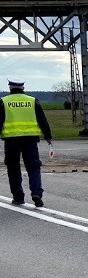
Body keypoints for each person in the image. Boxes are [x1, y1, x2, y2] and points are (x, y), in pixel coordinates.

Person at [0, 78, 53, 207]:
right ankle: (36, 193)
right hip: (30, 140)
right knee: (33, 167)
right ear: (23, 87)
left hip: (11, 141)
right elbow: (42, 120)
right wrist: (48, 136)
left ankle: (18, 197)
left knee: (13, 168)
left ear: (10, 87)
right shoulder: (32, 101)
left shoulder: (3, 102)